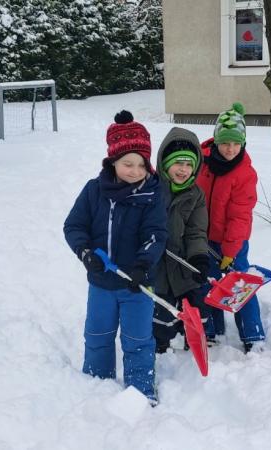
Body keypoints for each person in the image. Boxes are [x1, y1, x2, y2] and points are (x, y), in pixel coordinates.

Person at [63, 110, 167, 403]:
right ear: (112, 162)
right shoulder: (94, 191)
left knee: (138, 339)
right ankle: (96, 386)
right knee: (98, 336)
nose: (135, 171)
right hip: (101, 283)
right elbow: (74, 225)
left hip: (138, 284)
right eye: (127, 164)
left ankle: (141, 392)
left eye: (141, 164)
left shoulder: (152, 194)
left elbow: (156, 234)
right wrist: (85, 252)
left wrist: (143, 265)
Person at [195, 102, 266, 354]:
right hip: (203, 239)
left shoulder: (245, 174)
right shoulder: (201, 163)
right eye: (225, 142)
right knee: (206, 283)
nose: (230, 149)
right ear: (216, 140)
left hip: (233, 241)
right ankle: (212, 330)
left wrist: (230, 250)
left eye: (236, 143)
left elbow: (240, 216)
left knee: (239, 287)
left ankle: (253, 335)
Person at [151, 127, 212, 353]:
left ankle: (192, 341)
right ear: (165, 163)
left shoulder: (196, 195)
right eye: (178, 163)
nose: (184, 170)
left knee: (197, 304)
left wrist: (198, 257)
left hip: (183, 261)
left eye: (189, 164)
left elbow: (196, 231)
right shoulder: (151, 189)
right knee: (162, 310)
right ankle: (160, 346)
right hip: (156, 262)